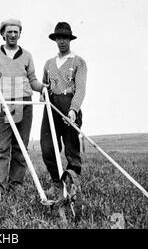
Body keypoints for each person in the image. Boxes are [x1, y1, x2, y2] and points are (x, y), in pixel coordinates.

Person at [0, 19, 47, 194]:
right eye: (9, 32)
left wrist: (42, 88)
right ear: (3, 34)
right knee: (2, 147)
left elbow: (32, 80)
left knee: (21, 146)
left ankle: (16, 184)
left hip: (24, 103)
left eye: (16, 32)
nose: (12, 35)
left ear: (20, 34)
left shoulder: (27, 56)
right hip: (3, 104)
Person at [40, 22, 87, 200]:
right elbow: (45, 86)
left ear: (70, 39)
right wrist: (44, 95)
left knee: (71, 148)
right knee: (48, 147)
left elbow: (81, 89)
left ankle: (73, 185)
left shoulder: (78, 62)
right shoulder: (49, 63)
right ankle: (56, 184)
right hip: (51, 107)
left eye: (65, 38)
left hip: (69, 105)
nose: (62, 41)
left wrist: (73, 110)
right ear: (55, 40)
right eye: (59, 38)